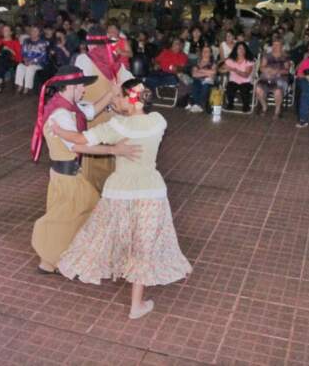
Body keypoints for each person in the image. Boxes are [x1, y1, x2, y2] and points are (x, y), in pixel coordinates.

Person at [54, 79, 192, 320]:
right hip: (151, 192)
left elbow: (80, 140)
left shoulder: (117, 126)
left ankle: (98, 266)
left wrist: (58, 130)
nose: (114, 101)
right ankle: (136, 305)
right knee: (143, 247)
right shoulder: (159, 121)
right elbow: (137, 124)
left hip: (120, 192)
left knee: (102, 235)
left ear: (131, 99)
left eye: (118, 97)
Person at [29, 66, 139, 274]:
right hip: (68, 177)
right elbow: (78, 146)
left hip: (64, 175)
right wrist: (114, 149)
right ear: (70, 87)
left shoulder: (66, 106)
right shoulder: (61, 114)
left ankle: (54, 261)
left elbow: (91, 111)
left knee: (70, 217)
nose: (84, 90)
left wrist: (112, 93)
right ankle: (52, 259)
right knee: (76, 215)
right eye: (80, 86)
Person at [74, 25, 134, 192]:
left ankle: (93, 193)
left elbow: (77, 86)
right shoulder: (115, 60)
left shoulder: (83, 59)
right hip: (113, 115)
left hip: (93, 113)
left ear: (91, 44)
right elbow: (131, 83)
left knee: (93, 153)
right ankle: (112, 191)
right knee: (112, 154)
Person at [254, 38, 290, 117]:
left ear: (281, 46)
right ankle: (264, 106)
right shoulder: (267, 55)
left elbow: (287, 71)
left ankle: (277, 109)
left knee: (277, 91)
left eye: (277, 45)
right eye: (274, 45)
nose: (275, 47)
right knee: (258, 90)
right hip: (266, 77)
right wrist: (267, 70)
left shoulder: (285, 57)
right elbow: (261, 68)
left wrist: (277, 71)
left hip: (279, 78)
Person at [221, 41, 254, 112]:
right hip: (234, 81)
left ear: (245, 50)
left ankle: (246, 106)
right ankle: (230, 104)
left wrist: (235, 70)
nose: (241, 50)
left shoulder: (248, 61)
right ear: (236, 49)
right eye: (239, 48)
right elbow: (221, 69)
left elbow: (246, 75)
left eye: (243, 48)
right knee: (230, 87)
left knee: (244, 89)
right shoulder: (230, 60)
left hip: (246, 81)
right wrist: (224, 69)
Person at [15, 26, 48, 94]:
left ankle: (27, 87)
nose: (33, 32)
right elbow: (23, 52)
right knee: (20, 66)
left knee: (30, 68)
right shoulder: (26, 41)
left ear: (39, 33)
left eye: (36, 31)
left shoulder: (42, 42)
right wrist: (25, 60)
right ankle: (20, 85)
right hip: (27, 61)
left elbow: (43, 55)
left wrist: (33, 61)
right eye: (32, 31)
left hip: (38, 63)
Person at [0, 25, 22, 93]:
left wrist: (9, 49)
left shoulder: (15, 42)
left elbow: (18, 56)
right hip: (1, 60)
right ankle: (0, 82)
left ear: (11, 32)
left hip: (11, 60)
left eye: (6, 30)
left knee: (4, 55)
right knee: (0, 59)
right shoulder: (0, 41)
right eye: (3, 30)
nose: (4, 32)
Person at [187, 45, 217, 113]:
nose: (205, 52)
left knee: (205, 86)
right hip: (198, 80)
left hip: (208, 81)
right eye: (204, 51)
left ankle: (197, 105)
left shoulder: (213, 63)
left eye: (207, 51)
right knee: (195, 84)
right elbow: (194, 74)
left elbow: (213, 72)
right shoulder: (197, 62)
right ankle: (197, 104)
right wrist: (207, 73)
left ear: (210, 53)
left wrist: (200, 70)